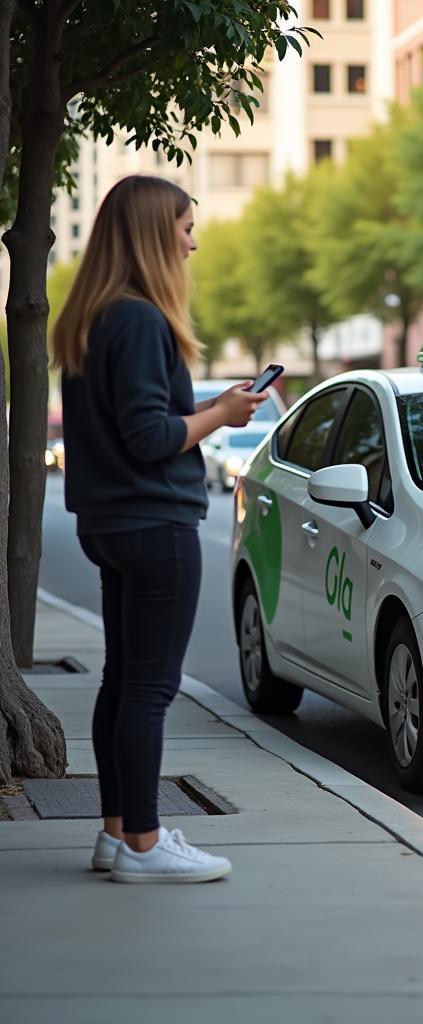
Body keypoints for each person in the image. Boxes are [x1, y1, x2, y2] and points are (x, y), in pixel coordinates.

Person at [52, 175, 267, 883]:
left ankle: (117, 834)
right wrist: (225, 417)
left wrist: (209, 406)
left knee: (124, 680)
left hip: (110, 522)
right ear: (152, 236)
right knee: (149, 688)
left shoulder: (93, 318)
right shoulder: (142, 319)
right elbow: (149, 437)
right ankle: (143, 845)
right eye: (184, 228)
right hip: (154, 523)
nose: (193, 241)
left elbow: (134, 421)